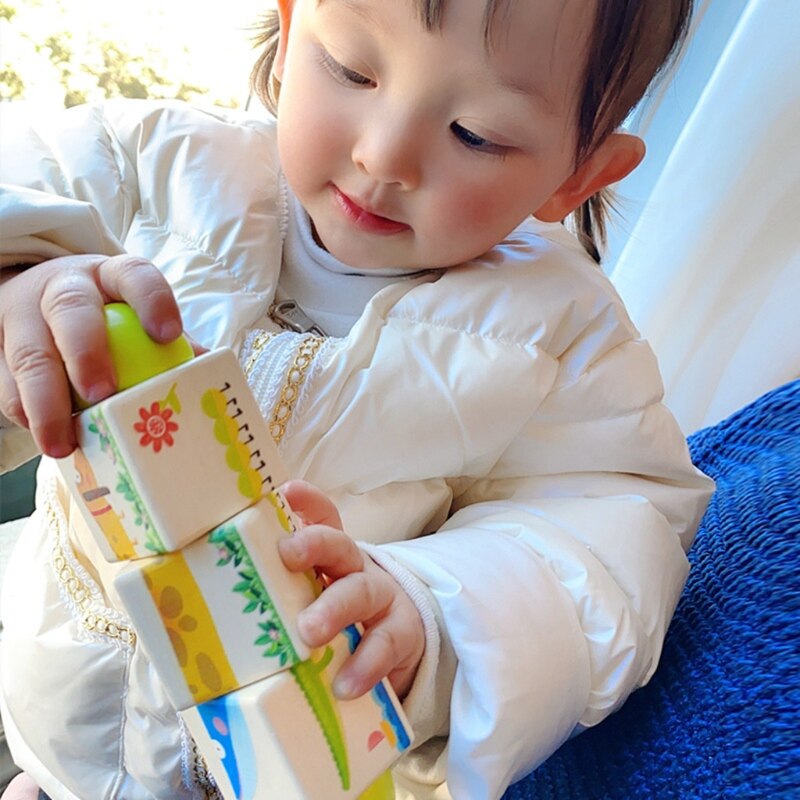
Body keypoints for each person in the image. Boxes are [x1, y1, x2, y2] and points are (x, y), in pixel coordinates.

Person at [0, 0, 713, 798]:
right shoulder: (147, 165)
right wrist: (17, 287)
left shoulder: (564, 342)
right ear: (290, 24)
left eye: (476, 133)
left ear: (578, 177)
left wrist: (432, 615)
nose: (384, 155)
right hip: (58, 737)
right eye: (351, 69)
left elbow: (606, 545)